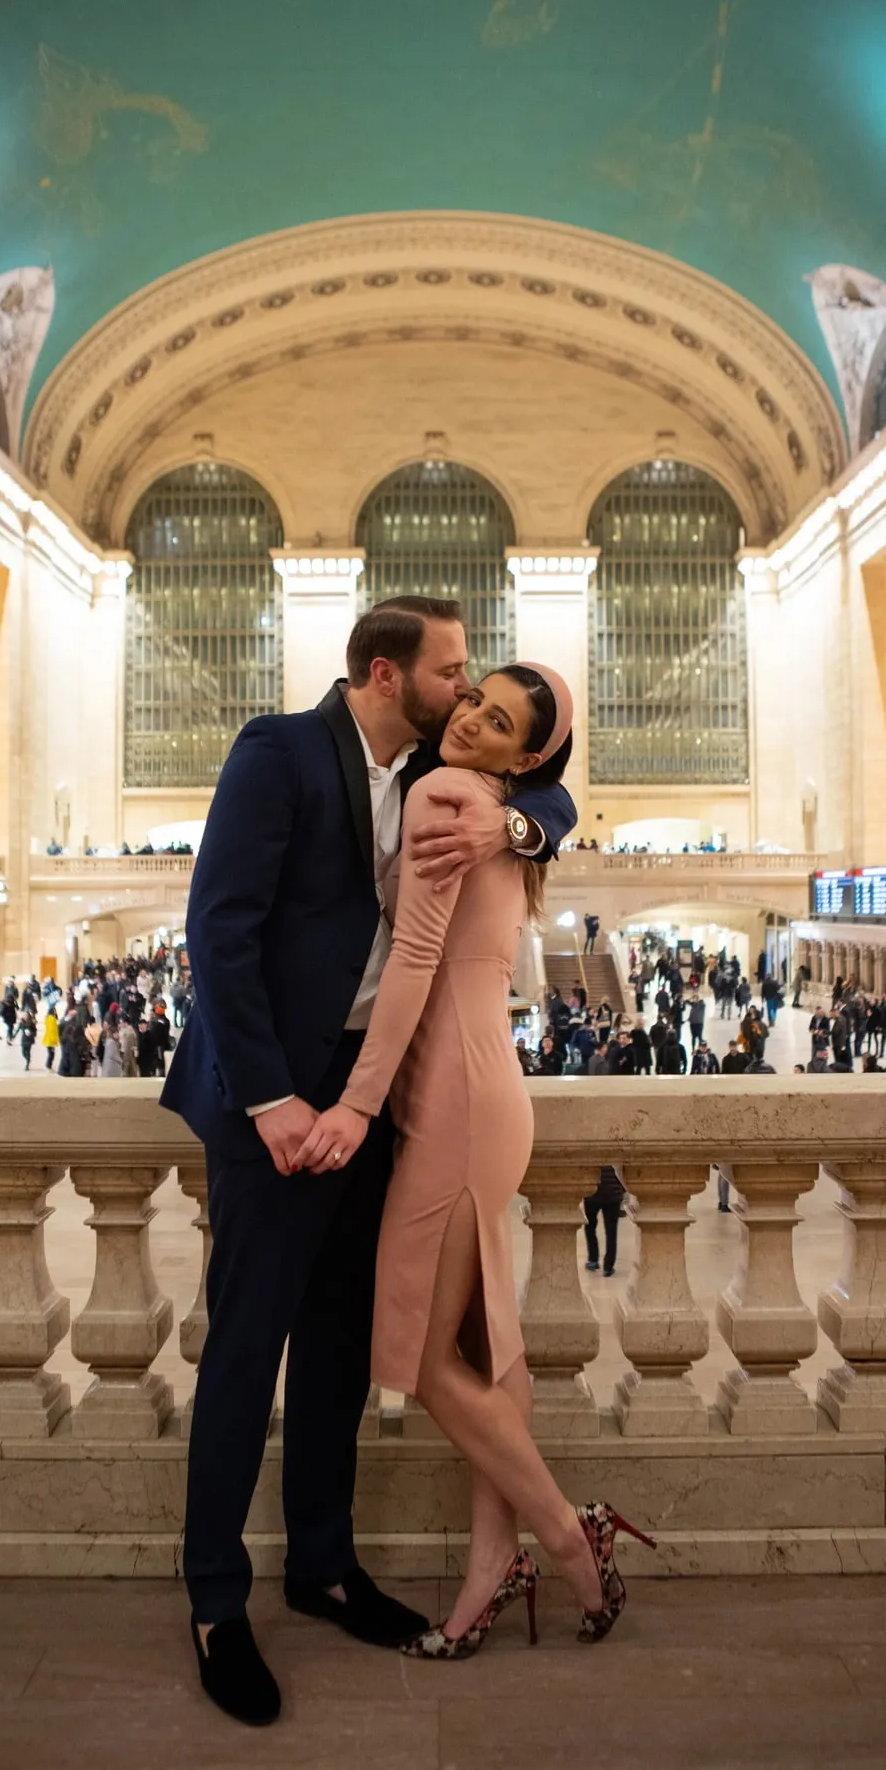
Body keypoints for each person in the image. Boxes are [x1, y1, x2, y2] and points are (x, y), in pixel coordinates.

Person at [160, 599, 578, 1725]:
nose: (468, 688)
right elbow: (220, 932)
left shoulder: (461, 783)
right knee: (248, 1351)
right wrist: (270, 1101)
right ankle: (215, 1603)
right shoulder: (278, 751)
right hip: (279, 1109)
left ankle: (326, 1566)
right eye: (455, 673)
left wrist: (523, 829)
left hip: (378, 1103)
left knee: (341, 1345)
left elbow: (554, 789)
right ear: (392, 677)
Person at [298, 659, 652, 1667]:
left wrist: (357, 1103)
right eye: (473, 701)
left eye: (497, 721)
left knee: (416, 1357)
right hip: (482, 1096)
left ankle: (564, 1536)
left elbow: (413, 962)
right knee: (484, 1348)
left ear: (525, 755)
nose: (468, 721)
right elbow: (546, 811)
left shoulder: (448, 795)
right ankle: (489, 1569)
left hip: (450, 1106)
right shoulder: (503, 806)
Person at [583, 1164, 626, 1278]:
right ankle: (608, 1267)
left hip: (593, 1193)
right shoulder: (617, 1147)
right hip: (612, 1194)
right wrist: (622, 1190)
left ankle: (593, 1259)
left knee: (589, 1226)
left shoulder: (591, 1148)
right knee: (611, 1232)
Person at [42, 1002, 60, 1071]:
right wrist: (54, 1041)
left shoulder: (48, 1018)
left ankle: (48, 1065)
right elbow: (52, 1030)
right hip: (51, 1040)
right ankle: (48, 1066)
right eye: (54, 1011)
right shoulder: (52, 1019)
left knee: (50, 1053)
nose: (55, 1012)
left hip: (48, 1039)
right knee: (51, 1054)